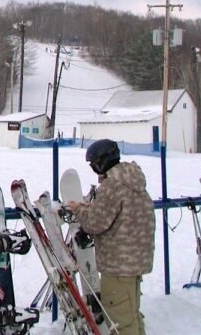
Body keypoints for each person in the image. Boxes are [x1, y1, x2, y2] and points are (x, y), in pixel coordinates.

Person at [67, 139, 155, 335]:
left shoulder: (112, 185)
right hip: (134, 264)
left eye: (94, 165)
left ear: (101, 162)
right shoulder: (132, 181)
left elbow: (95, 223)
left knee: (120, 324)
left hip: (118, 267)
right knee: (131, 318)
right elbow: (118, 213)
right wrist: (91, 207)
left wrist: (78, 210)